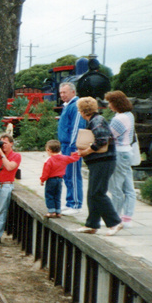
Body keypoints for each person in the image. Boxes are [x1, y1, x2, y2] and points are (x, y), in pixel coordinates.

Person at [75, 97, 123, 236]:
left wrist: (86, 151)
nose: (79, 113)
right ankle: (92, 224)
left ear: (84, 111)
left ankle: (115, 222)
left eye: (80, 110)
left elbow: (102, 140)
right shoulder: (94, 120)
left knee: (98, 193)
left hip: (104, 161)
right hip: (99, 162)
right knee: (92, 193)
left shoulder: (97, 120)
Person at [105, 90, 137, 227]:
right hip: (127, 152)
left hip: (118, 153)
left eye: (110, 103)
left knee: (116, 188)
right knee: (128, 187)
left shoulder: (119, 119)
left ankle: (115, 218)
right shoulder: (129, 115)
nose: (108, 106)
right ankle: (127, 218)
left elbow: (109, 135)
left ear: (116, 103)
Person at [57, 82, 86, 215]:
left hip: (71, 146)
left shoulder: (75, 106)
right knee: (67, 174)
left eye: (65, 92)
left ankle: (75, 204)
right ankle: (70, 202)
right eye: (61, 92)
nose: (62, 95)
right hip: (65, 145)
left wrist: (74, 147)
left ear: (73, 92)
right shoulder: (67, 105)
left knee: (73, 174)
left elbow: (76, 127)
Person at [40, 140, 81, 218]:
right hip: (59, 180)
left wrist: (42, 180)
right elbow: (73, 158)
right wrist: (77, 152)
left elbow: (46, 172)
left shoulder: (49, 160)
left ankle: (51, 211)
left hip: (51, 180)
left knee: (49, 195)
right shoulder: (64, 158)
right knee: (57, 195)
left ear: (49, 150)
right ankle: (58, 211)